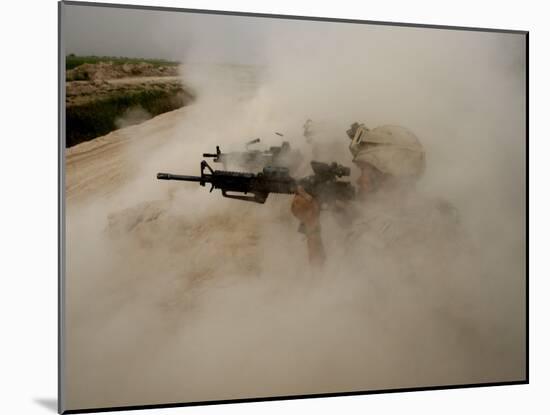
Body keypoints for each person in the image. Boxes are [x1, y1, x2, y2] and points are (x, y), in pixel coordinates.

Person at [291, 122, 460, 267]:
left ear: (386, 174)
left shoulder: (371, 240)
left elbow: (326, 291)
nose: (358, 180)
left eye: (364, 171)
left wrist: (311, 225)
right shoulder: (440, 213)